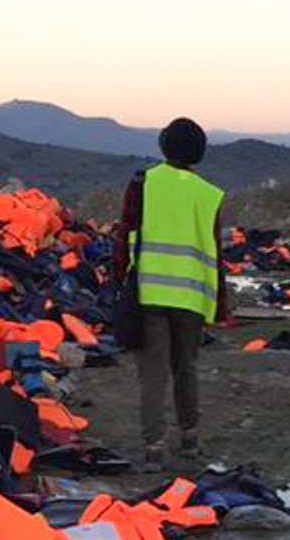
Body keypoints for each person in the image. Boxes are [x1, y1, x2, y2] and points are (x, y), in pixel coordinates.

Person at [114, 117, 231, 472]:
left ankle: (153, 448)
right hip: (191, 297)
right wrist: (220, 304)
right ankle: (190, 439)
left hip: (148, 293)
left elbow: (124, 234)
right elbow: (215, 252)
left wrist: (119, 282)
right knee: (186, 367)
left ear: (164, 145)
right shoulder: (209, 194)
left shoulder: (143, 182)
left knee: (153, 373)